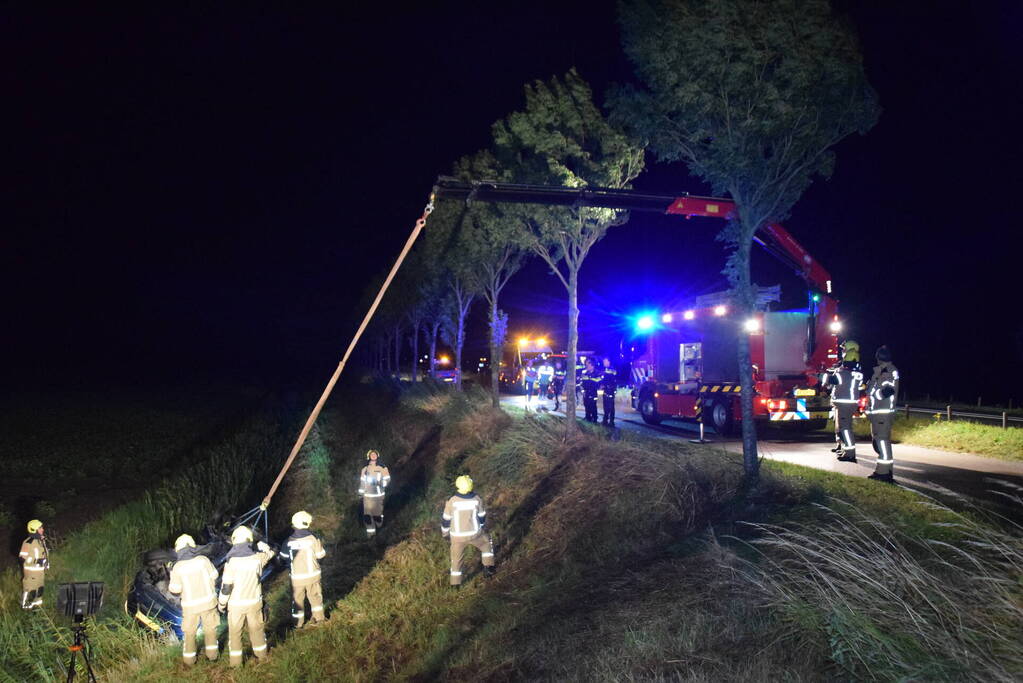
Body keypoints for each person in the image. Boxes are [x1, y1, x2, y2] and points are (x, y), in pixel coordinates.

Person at [218, 526, 274, 668]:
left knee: (235, 634)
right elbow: (271, 553)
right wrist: (264, 546)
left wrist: (221, 604)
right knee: (257, 630)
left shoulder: (231, 563)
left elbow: (226, 587)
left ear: (234, 542)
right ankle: (262, 657)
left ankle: (236, 665)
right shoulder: (258, 558)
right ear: (249, 541)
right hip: (254, 603)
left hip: (236, 606)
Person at [168, 534, 220, 665]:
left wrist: (170, 572)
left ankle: (189, 661)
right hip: (208, 603)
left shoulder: (178, 567)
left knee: (189, 633)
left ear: (178, 549)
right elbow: (215, 576)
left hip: (190, 608)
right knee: (210, 629)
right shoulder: (203, 560)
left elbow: (174, 590)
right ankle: (212, 656)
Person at [441, 475, 495, 587]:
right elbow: (482, 516)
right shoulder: (476, 499)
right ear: (471, 486)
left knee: (456, 560)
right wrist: (481, 525)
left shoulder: (452, 501)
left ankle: (455, 584)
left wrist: (445, 533)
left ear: (457, 486)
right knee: (486, 544)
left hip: (457, 537)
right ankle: (488, 568)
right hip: (474, 534)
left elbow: (446, 519)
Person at [281, 511, 327, 628]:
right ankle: (319, 619)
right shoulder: (314, 538)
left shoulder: (287, 542)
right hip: (313, 576)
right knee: (315, 597)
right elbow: (320, 555)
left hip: (297, 579)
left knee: (297, 601)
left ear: (293, 524)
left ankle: (298, 624)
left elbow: (283, 559)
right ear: (308, 524)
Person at [823, 340, 863, 462]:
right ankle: (844, 448)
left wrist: (825, 376)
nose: (842, 351)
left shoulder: (843, 372)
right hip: (847, 403)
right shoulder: (855, 372)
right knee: (842, 427)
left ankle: (850, 453)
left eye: (844, 349)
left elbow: (833, 380)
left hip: (844, 403)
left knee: (845, 428)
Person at [866, 346, 900, 483]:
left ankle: (884, 472)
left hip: (883, 412)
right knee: (879, 442)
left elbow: (887, 391)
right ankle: (883, 470)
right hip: (878, 413)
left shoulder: (889, 371)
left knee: (882, 441)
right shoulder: (882, 371)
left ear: (879, 357)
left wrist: (874, 394)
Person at [359, 449, 391, 538]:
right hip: (367, 497)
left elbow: (387, 480)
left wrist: (380, 483)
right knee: (367, 517)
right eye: (371, 455)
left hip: (378, 496)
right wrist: (361, 493)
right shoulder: (365, 469)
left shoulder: (382, 467)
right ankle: (371, 537)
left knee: (377, 516)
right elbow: (362, 482)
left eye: (375, 454)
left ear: (377, 456)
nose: (373, 456)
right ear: (369, 456)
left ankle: (381, 530)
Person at [19, 519, 48, 610]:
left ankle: (37, 609)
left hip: (40, 572)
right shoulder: (28, 542)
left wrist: (45, 562)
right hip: (31, 573)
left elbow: (44, 554)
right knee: (30, 591)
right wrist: (36, 561)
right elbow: (21, 558)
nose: (42, 529)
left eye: (42, 527)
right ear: (34, 530)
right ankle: (26, 609)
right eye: (40, 528)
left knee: (39, 590)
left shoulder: (40, 541)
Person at [580, 359, 601, 423]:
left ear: (592, 366)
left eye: (588, 365)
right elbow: (583, 382)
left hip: (593, 392)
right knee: (586, 405)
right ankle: (587, 417)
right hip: (586, 392)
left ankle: (594, 419)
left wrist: (590, 378)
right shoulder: (585, 373)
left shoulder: (597, 373)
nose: (586, 366)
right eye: (586, 365)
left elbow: (598, 381)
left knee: (593, 406)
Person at [600, 357, 618, 427]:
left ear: (609, 362)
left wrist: (604, 384)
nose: (604, 363)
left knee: (610, 406)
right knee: (606, 406)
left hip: (610, 390)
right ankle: (606, 420)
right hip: (606, 390)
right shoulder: (607, 370)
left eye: (605, 361)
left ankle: (610, 421)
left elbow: (609, 380)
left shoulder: (611, 370)